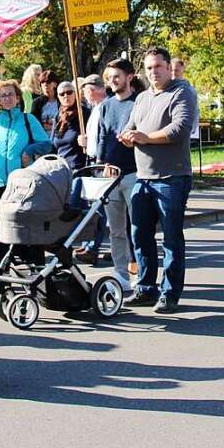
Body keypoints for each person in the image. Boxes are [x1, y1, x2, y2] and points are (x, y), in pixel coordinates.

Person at [119, 47, 196, 314]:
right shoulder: (141, 98)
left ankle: (170, 292)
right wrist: (127, 136)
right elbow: (130, 127)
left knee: (171, 238)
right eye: (149, 68)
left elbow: (180, 128)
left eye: (158, 67)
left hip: (172, 177)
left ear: (168, 67)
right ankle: (145, 287)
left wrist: (145, 137)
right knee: (139, 234)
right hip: (143, 177)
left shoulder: (181, 92)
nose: (153, 72)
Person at [0, 79, 49, 263]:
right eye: (3, 95)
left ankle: (35, 270)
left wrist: (29, 150)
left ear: (18, 98)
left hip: (24, 184)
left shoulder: (28, 120)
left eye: (11, 94)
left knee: (28, 230)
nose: (7, 98)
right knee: (3, 231)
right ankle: (4, 275)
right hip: (1, 186)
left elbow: (46, 144)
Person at [96, 58, 139, 290]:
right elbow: (103, 137)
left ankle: (141, 274)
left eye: (116, 77)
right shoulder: (106, 105)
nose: (112, 82)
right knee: (116, 229)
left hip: (134, 173)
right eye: (109, 78)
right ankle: (121, 274)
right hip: (111, 175)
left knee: (138, 228)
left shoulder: (139, 102)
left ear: (129, 77)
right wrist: (101, 164)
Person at [74, 74, 108, 263]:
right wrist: (85, 141)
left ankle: (94, 246)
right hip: (93, 160)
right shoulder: (95, 109)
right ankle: (88, 243)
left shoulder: (104, 107)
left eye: (85, 90)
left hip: (102, 163)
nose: (84, 95)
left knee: (99, 208)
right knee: (92, 207)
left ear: (93, 89)